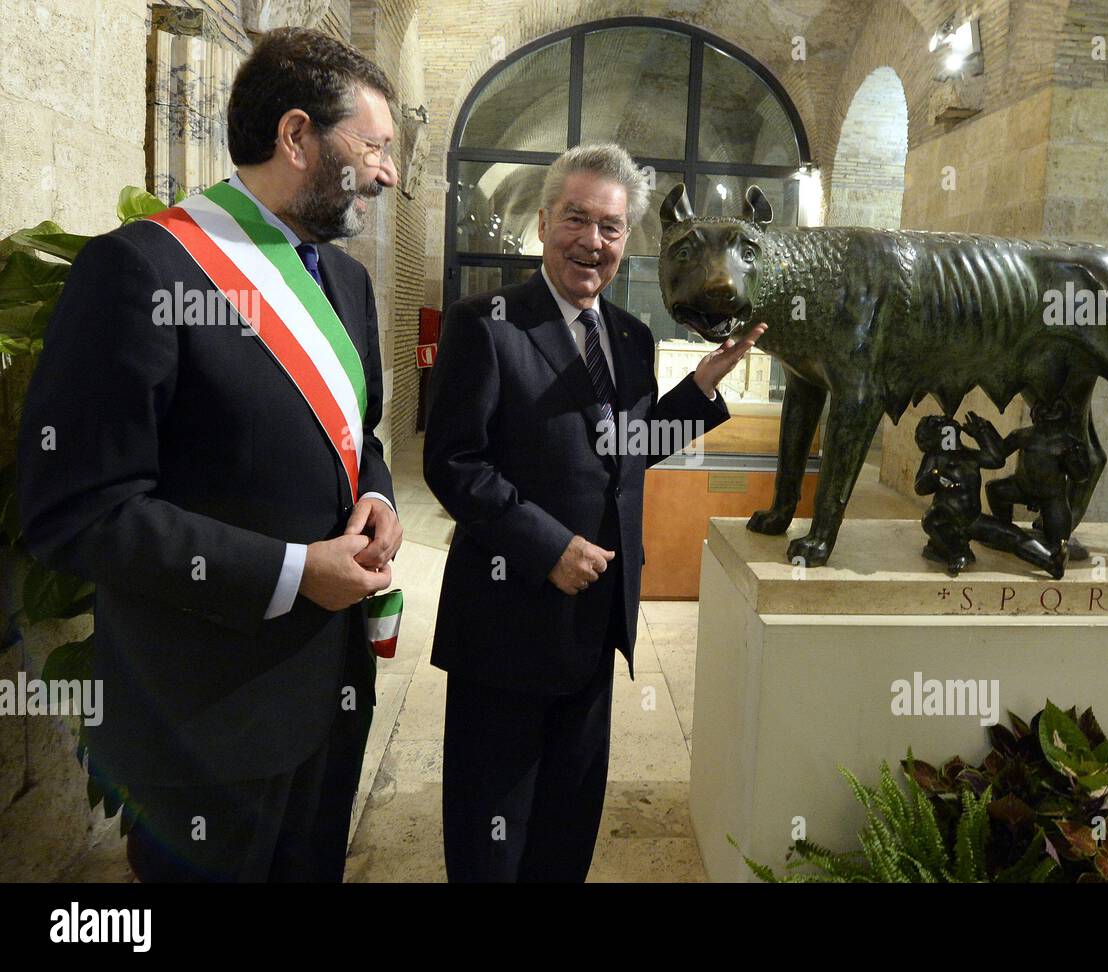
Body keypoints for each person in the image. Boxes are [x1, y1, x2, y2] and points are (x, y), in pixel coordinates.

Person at [17, 27, 403, 882]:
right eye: (374, 147)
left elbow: (356, 440)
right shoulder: (140, 271)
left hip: (329, 703)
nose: (389, 173)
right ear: (296, 136)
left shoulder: (345, 283)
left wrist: (377, 496)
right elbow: (76, 511)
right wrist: (294, 572)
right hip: (203, 725)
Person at [424, 142, 765, 882]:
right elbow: (453, 464)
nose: (592, 241)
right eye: (576, 219)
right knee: (493, 826)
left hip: (597, 614)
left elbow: (627, 452)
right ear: (544, 224)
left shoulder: (632, 338)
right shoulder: (486, 323)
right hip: (508, 618)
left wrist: (698, 391)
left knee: (568, 819)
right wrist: (546, 545)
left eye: (610, 227)